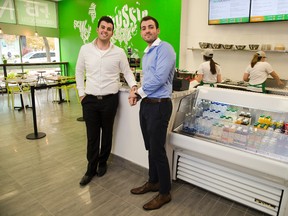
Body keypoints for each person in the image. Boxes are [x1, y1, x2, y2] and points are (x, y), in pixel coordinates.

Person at [76, 16, 137, 186]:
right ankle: (90, 168)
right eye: (103, 27)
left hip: (110, 100)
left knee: (108, 133)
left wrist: (134, 86)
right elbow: (79, 72)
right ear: (97, 29)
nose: (105, 31)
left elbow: (127, 72)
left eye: (109, 29)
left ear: (112, 32)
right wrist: (82, 94)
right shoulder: (85, 49)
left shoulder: (119, 52)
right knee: (92, 136)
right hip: (90, 100)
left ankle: (102, 163)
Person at [128, 16, 176, 211]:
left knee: (158, 150)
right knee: (151, 148)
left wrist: (137, 93)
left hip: (159, 106)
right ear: (141, 32)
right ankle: (153, 181)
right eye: (143, 28)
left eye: (150, 27)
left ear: (158, 30)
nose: (147, 30)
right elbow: (148, 79)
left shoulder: (165, 48)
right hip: (147, 105)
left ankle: (164, 193)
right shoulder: (148, 52)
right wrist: (138, 94)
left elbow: (159, 78)